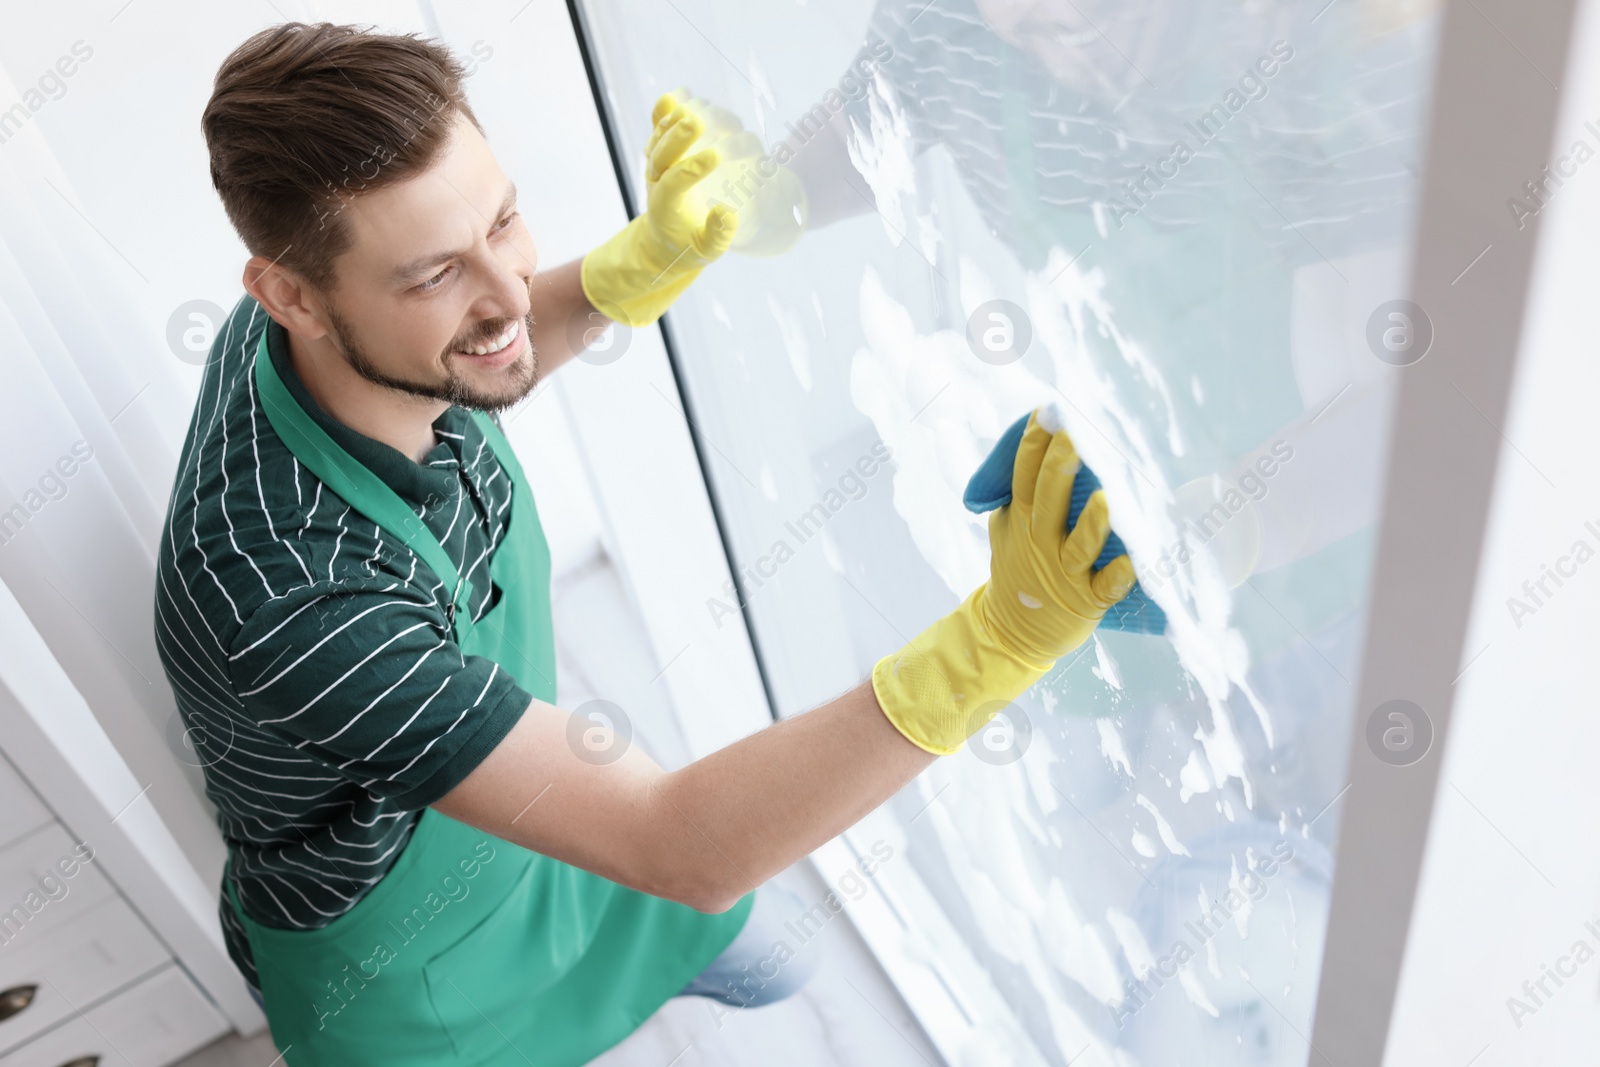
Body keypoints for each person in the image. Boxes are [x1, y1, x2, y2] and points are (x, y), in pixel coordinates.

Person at [154, 22, 1134, 1067]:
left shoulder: (322, 341)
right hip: (407, 976)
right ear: (291, 294)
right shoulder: (291, 600)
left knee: (781, 970)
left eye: (505, 220)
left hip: (537, 850)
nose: (506, 292)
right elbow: (682, 848)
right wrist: (1000, 640)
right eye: (436, 273)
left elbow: (490, 344)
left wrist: (635, 265)